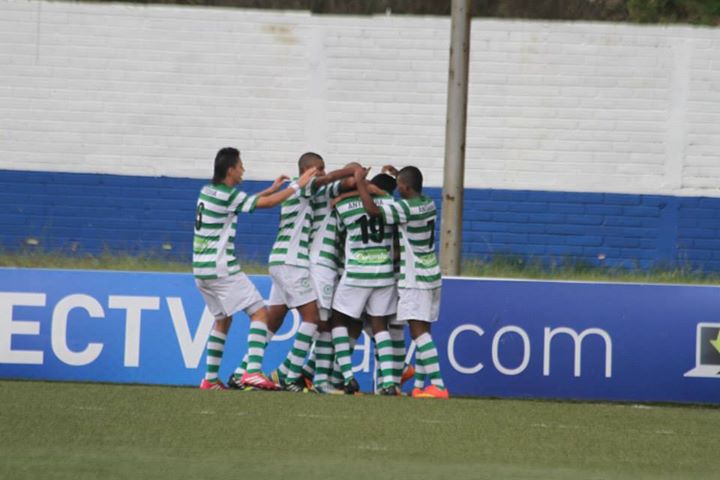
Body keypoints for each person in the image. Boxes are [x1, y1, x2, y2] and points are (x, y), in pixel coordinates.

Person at [195, 147, 317, 390]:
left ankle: (209, 379)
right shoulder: (228, 196)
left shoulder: (208, 192)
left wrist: (271, 190)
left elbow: (249, 201)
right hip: (221, 269)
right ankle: (252, 371)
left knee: (222, 320)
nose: (243, 170)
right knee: (260, 313)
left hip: (201, 270)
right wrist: (297, 185)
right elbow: (268, 204)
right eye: (240, 166)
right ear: (230, 170)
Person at [262, 153, 359, 392]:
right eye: (320, 169)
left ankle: (258, 370)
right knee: (320, 322)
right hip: (316, 264)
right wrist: (353, 172)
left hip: (301, 262)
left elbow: (347, 183)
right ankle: (311, 379)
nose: (324, 173)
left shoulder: (313, 190)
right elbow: (349, 179)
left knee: (276, 317)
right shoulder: (318, 189)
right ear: (308, 170)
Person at [354, 165, 448, 399]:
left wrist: (360, 183)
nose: (396, 188)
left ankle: (438, 385)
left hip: (415, 277)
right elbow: (407, 189)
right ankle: (419, 386)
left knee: (419, 335)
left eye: (399, 185)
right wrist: (398, 175)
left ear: (405, 187)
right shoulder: (428, 202)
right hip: (432, 274)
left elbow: (373, 211)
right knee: (424, 332)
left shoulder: (405, 208)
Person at [331, 172, 398, 395]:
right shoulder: (390, 203)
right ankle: (389, 382)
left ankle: (347, 377)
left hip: (357, 273)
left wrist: (345, 195)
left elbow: (338, 233)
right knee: (380, 325)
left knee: (338, 320)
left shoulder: (347, 205)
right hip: (384, 274)